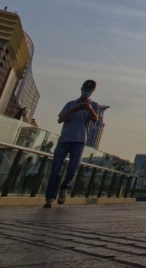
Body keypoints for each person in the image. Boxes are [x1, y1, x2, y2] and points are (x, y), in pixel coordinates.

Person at [44, 79, 100, 208]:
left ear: (92, 92)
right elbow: (60, 119)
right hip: (64, 140)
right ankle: (50, 198)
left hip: (79, 141)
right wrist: (74, 109)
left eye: (89, 91)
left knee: (73, 169)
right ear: (81, 89)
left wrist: (89, 108)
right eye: (85, 90)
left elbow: (95, 119)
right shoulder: (70, 104)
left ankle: (64, 187)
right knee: (55, 170)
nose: (86, 92)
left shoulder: (94, 105)